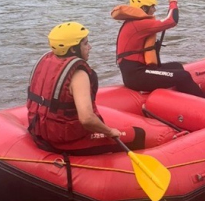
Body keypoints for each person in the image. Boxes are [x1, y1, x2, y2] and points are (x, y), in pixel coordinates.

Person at [27, 22, 144, 156]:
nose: (90, 47)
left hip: (40, 132)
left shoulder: (45, 62)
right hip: (67, 141)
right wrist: (110, 132)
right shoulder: (79, 74)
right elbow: (87, 119)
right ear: (73, 49)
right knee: (138, 134)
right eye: (85, 43)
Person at [111, 0, 205, 98]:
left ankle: (186, 100)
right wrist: (173, 2)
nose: (154, 9)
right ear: (144, 8)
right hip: (136, 76)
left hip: (139, 72)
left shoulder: (134, 22)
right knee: (184, 76)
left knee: (177, 66)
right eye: (152, 6)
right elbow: (171, 20)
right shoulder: (138, 24)